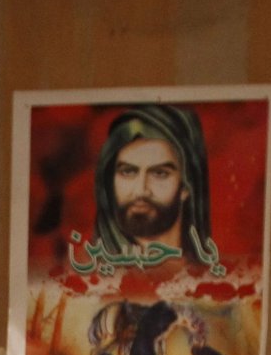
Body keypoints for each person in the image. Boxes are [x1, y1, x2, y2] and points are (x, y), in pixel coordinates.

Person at [90, 104, 219, 270]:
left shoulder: (210, 274)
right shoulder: (91, 273)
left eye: (160, 173)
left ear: (186, 186)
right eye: (128, 172)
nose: (141, 190)